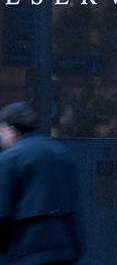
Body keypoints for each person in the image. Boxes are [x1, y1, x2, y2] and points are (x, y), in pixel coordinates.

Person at [0, 101, 83, 265]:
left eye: (1, 130)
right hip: (64, 250)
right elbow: (76, 205)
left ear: (12, 130)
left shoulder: (9, 159)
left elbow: (2, 212)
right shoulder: (61, 153)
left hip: (26, 251)